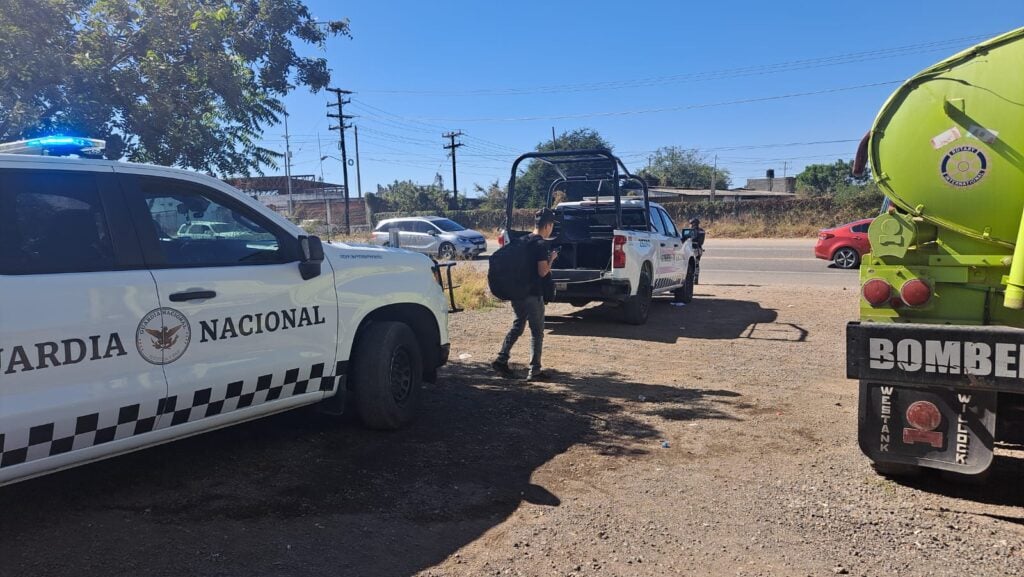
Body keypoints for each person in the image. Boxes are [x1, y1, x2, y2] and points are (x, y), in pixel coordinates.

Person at [492, 208, 559, 381]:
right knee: (537, 332)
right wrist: (552, 258)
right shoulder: (541, 244)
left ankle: (501, 359)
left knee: (518, 325)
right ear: (549, 225)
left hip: (517, 293)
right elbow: (543, 272)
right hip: (532, 294)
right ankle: (535, 370)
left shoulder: (522, 240)